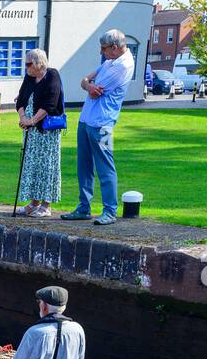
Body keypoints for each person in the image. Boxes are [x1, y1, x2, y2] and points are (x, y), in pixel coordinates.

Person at [62, 29, 135, 226]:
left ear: (115, 47)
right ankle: (84, 207)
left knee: (105, 167)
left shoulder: (122, 65)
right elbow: (86, 82)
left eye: (104, 49)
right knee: (83, 167)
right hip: (87, 120)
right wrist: (88, 84)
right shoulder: (110, 61)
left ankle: (110, 210)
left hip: (103, 123)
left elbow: (96, 86)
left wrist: (89, 84)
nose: (102, 53)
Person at [14, 48, 64, 218]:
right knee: (32, 166)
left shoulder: (52, 76)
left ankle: (46, 205)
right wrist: (23, 117)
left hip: (46, 133)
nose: (26, 67)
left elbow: (50, 103)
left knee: (46, 166)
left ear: (39, 63)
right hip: (31, 132)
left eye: (29, 64)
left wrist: (33, 120)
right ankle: (34, 202)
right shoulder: (29, 77)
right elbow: (21, 99)